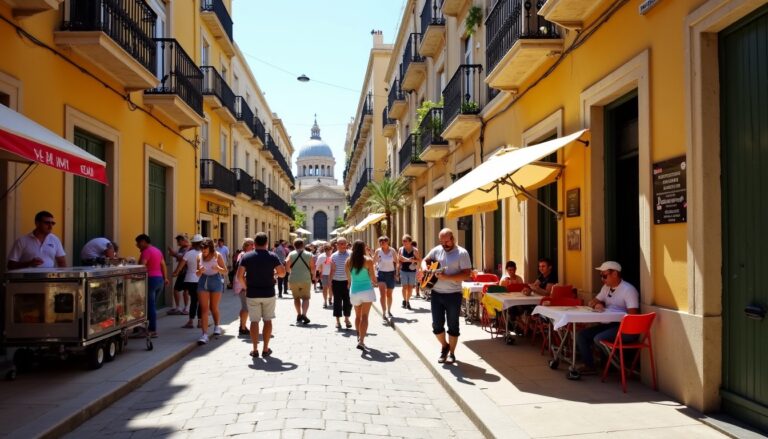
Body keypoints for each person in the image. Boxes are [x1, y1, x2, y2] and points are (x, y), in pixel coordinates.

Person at [576, 261, 640, 375]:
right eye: (601, 276)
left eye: (604, 276)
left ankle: (618, 366)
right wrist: (598, 304)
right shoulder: (606, 288)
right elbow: (592, 302)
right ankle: (589, 365)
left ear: (615, 274)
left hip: (625, 328)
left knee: (598, 338)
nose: (602, 279)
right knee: (582, 335)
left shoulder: (628, 290)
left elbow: (633, 316)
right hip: (610, 324)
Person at [421, 228, 472, 364]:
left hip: (453, 295)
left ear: (453, 239)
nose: (444, 244)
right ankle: (445, 346)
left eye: (447, 241)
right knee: (437, 326)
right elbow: (425, 260)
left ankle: (452, 353)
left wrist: (447, 277)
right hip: (436, 294)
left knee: (453, 325)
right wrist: (425, 268)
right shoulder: (437, 250)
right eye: (442, 241)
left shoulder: (462, 253)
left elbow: (467, 273)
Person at [237, 232, 286, 358]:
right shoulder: (272, 256)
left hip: (252, 293)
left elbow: (239, 276)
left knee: (254, 321)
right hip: (268, 293)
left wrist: (246, 287)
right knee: (267, 320)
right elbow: (282, 274)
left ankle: (254, 349)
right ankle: (265, 348)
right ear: (266, 243)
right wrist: (275, 274)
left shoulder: (247, 257)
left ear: (254, 243)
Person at [195, 238, 228, 345]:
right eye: (202, 249)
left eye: (205, 249)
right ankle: (204, 334)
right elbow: (197, 274)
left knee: (213, 307)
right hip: (203, 281)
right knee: (204, 309)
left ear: (210, 248)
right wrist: (199, 271)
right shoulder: (199, 256)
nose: (203, 251)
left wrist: (218, 268)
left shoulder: (217, 255)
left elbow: (225, 271)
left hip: (215, 280)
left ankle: (217, 326)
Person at [346, 240, 377, 351]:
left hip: (354, 291)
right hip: (367, 290)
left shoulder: (348, 261)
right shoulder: (368, 261)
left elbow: (349, 279)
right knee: (365, 317)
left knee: (357, 316)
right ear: (364, 248)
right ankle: (362, 341)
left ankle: (358, 336)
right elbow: (373, 278)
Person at [136, 234, 168, 338]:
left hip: (150, 280)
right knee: (151, 305)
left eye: (138, 242)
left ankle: (152, 330)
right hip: (159, 280)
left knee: (149, 306)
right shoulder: (157, 251)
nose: (137, 245)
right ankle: (145, 328)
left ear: (144, 241)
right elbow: (163, 264)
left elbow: (142, 266)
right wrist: (166, 278)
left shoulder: (146, 252)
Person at [175, 234, 203, 329]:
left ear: (193, 243)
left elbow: (181, 266)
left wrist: (175, 272)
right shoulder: (205, 253)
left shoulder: (189, 253)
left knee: (194, 301)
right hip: (201, 280)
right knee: (200, 301)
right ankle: (200, 322)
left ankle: (191, 321)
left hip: (190, 280)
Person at [285, 239, 315, 325]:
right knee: (306, 298)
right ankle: (304, 314)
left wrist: (290, 272)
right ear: (303, 245)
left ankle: (298, 314)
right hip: (305, 278)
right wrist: (313, 277)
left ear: (294, 245)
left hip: (294, 278)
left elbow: (286, 264)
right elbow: (312, 267)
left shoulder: (291, 254)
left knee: (296, 298)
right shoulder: (309, 254)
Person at [373, 236, 399, 323]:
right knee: (382, 294)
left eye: (383, 241)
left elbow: (397, 262)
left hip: (391, 273)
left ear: (387, 242)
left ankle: (389, 310)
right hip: (381, 274)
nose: (381, 243)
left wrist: (396, 273)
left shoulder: (392, 251)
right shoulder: (378, 251)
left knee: (389, 294)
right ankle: (384, 312)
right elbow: (373, 262)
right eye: (380, 241)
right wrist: (377, 259)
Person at [329, 237, 353, 330]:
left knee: (348, 301)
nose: (343, 245)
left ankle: (347, 319)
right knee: (337, 301)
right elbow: (332, 269)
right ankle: (337, 321)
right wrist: (330, 282)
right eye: (341, 243)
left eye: (344, 243)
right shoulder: (333, 256)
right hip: (336, 281)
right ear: (337, 245)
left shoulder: (351, 254)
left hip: (348, 281)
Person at [233, 238, 255, 335]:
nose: (253, 246)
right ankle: (242, 328)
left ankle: (242, 325)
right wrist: (245, 286)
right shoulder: (244, 255)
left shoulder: (242, 255)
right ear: (246, 245)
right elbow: (243, 271)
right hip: (243, 284)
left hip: (242, 283)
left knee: (244, 307)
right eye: (251, 244)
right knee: (246, 307)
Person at [167, 234, 190, 315]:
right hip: (185, 272)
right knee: (185, 290)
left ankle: (179, 308)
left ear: (184, 240)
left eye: (179, 240)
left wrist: (174, 254)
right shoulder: (182, 248)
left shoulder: (187, 249)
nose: (178, 242)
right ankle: (185, 308)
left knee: (177, 289)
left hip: (184, 272)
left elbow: (182, 259)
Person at [398, 234, 420, 310]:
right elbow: (399, 259)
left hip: (412, 271)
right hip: (403, 270)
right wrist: (397, 272)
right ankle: (406, 301)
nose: (403, 242)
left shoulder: (415, 250)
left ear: (410, 242)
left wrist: (413, 260)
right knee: (404, 287)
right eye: (403, 241)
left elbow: (419, 260)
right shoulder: (401, 249)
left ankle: (407, 301)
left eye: (405, 241)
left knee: (410, 288)